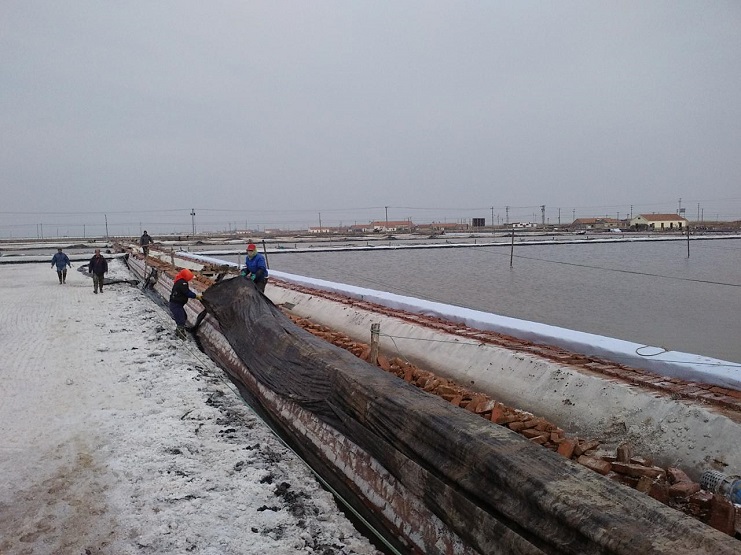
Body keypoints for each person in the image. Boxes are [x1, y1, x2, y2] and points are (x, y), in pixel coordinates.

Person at [169, 268, 202, 339]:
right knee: (181, 319)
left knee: (184, 316)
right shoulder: (182, 283)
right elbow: (187, 292)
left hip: (177, 304)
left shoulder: (180, 280)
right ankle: (180, 334)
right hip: (176, 304)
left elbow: (186, 291)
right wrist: (196, 296)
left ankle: (179, 330)